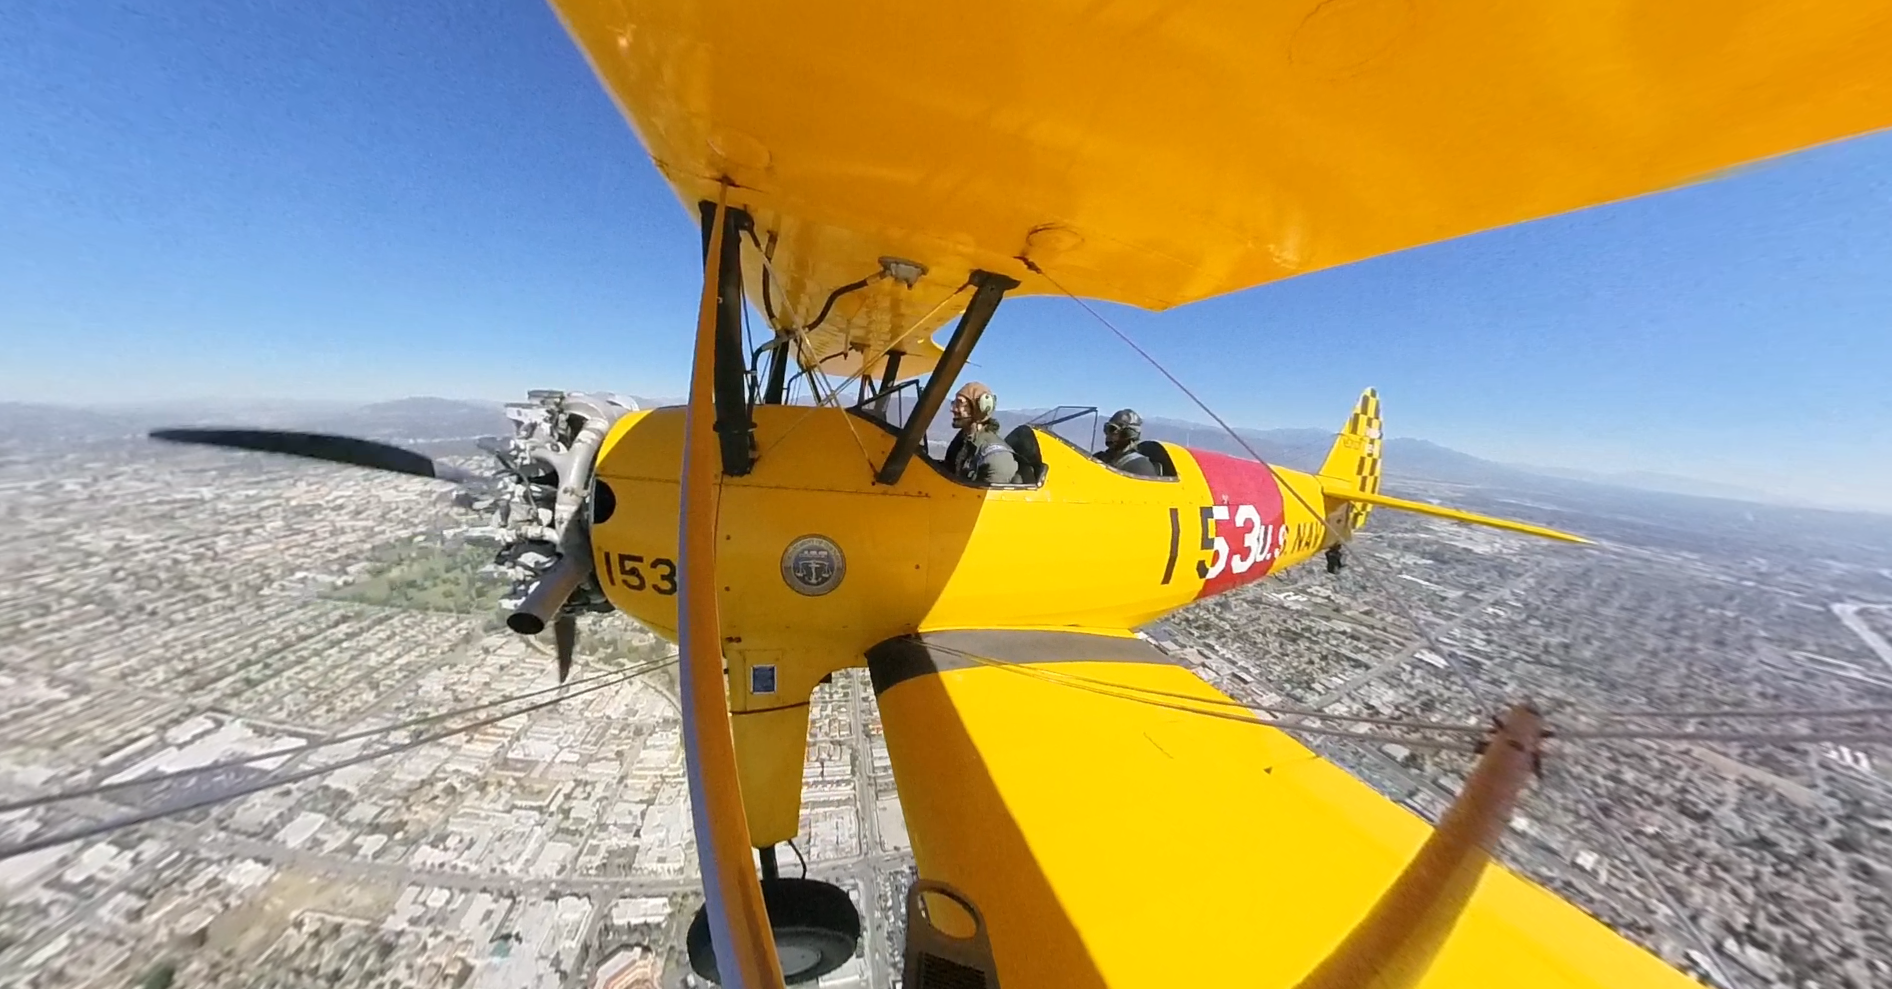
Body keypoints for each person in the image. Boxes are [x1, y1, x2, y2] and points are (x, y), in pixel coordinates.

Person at [943, 381, 1019, 485]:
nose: (953, 409)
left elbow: (990, 498)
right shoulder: (962, 440)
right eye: (954, 403)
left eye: (959, 403)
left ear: (980, 408)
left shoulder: (995, 457)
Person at [1095, 409, 1158, 476]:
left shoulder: (1140, 466)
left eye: (1112, 429)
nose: (1108, 434)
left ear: (1127, 434)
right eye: (1106, 428)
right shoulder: (1101, 458)